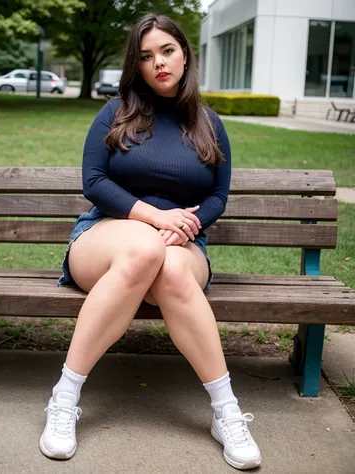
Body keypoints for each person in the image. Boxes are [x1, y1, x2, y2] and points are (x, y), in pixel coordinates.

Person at [39, 13, 262, 471]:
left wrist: (186, 226)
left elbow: (217, 196)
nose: (158, 63)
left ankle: (227, 413)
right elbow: (94, 181)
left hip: (182, 244)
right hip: (105, 236)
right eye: (145, 56)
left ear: (184, 55)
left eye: (167, 51)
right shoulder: (117, 111)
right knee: (144, 249)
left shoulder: (208, 123)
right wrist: (157, 218)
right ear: (135, 66)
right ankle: (64, 400)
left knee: (172, 266)